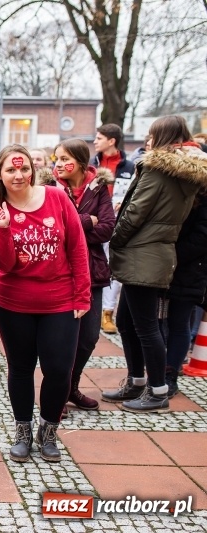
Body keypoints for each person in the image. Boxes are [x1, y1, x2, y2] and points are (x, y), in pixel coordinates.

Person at [0, 144, 90, 462]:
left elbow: (77, 247)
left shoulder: (56, 198)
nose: (19, 175)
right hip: (13, 301)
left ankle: (49, 431)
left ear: (32, 169)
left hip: (59, 300)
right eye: (11, 170)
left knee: (59, 369)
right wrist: (2, 228)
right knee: (20, 367)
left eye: (24, 168)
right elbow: (5, 264)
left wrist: (83, 294)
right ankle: (23, 431)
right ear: (0, 175)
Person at [103, 116, 207, 413]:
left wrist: (117, 238)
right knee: (127, 321)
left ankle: (157, 389)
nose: (147, 140)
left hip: (143, 252)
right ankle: (137, 381)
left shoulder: (158, 169)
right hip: (154, 252)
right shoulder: (188, 173)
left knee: (146, 326)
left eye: (151, 135)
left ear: (161, 137)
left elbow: (136, 211)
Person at [53, 139, 116, 415]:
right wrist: (86, 219)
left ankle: (71, 387)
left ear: (79, 161)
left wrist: (80, 223)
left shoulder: (98, 187)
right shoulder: (50, 188)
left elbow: (107, 227)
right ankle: (57, 391)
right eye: (56, 159)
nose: (58, 164)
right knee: (61, 337)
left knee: (89, 337)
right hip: (60, 272)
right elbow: (56, 228)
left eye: (63, 158)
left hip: (93, 272)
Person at [92, 123, 135, 334]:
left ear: (112, 141)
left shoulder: (129, 167)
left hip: (119, 224)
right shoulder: (92, 164)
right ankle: (91, 305)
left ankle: (107, 312)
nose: (94, 141)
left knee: (114, 265)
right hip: (93, 222)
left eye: (99, 138)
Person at [164, 190, 207, 396]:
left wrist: (172, 255)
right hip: (170, 266)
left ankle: (170, 374)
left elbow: (201, 238)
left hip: (189, 269)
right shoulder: (179, 189)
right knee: (161, 322)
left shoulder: (202, 196)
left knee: (179, 322)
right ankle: (161, 370)